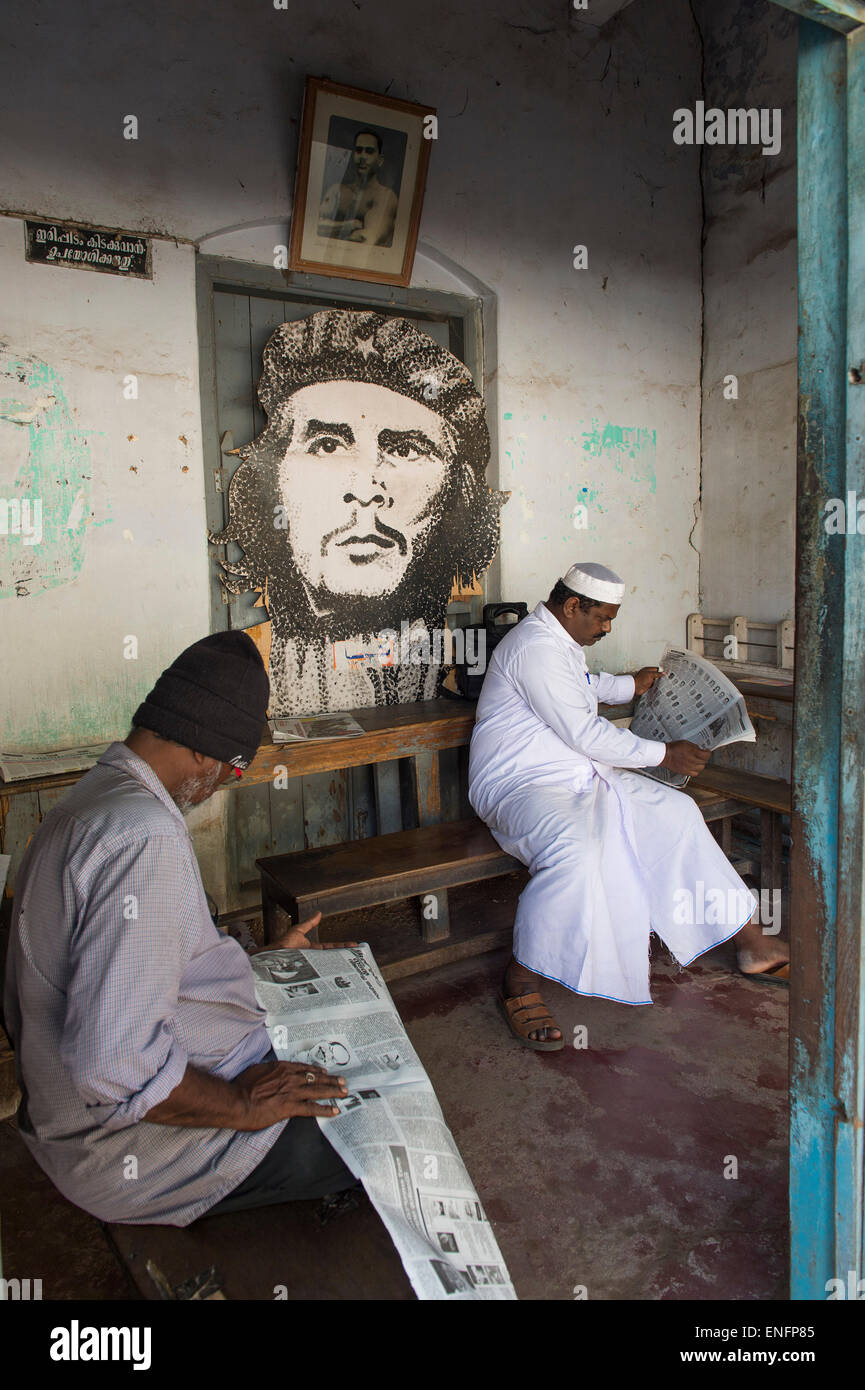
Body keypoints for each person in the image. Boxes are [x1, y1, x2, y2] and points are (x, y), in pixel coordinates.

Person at [3, 631, 360, 1225]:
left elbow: (123, 971)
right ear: (203, 751)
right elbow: (116, 1067)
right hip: (129, 1153)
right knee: (374, 1117)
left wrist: (257, 968)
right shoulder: (144, 838)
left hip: (67, 1121)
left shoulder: (90, 800)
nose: (227, 781)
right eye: (235, 766)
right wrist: (244, 1102)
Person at [468, 562, 790, 1051]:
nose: (607, 628)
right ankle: (521, 982)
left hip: (579, 774)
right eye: (603, 618)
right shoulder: (534, 647)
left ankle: (750, 942)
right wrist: (665, 753)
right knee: (577, 853)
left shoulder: (559, 644)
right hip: (522, 785)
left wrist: (629, 685)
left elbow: (582, 686)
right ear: (573, 605)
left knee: (677, 814)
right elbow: (585, 732)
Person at [213, 308, 504, 715]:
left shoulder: (480, 667)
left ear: (457, 496)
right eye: (327, 446)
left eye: (404, 450)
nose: (366, 491)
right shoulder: (237, 674)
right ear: (272, 481)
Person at [317, 129, 398, 247]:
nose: (363, 157)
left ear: (380, 160)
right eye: (359, 151)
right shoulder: (337, 190)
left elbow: (368, 239)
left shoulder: (385, 196)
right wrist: (350, 225)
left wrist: (333, 231)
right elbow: (315, 228)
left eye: (369, 151)